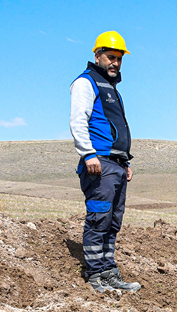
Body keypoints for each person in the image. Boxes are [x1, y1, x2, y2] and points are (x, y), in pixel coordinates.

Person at [70, 31, 142, 293]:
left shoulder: (112, 89)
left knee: (112, 222)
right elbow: (78, 120)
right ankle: (95, 275)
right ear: (97, 55)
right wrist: (88, 154)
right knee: (99, 218)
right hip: (98, 163)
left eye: (119, 59)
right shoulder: (85, 83)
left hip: (116, 165)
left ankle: (109, 272)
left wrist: (124, 161)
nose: (115, 63)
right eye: (111, 57)